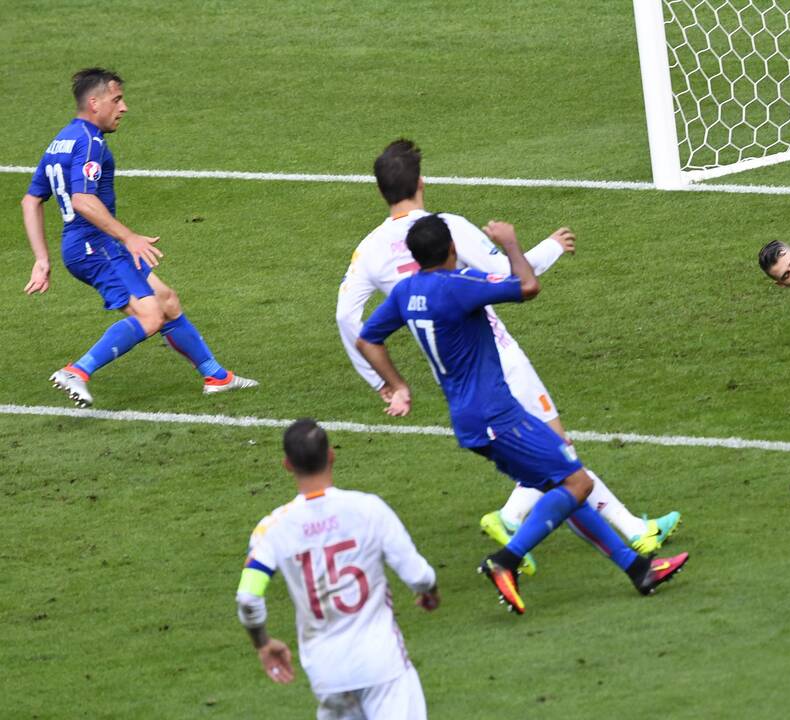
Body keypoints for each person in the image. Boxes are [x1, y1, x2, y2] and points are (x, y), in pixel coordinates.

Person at [336, 139, 680, 576]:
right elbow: (510, 278)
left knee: (553, 464)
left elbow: (348, 318)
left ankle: (629, 536)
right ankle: (544, 525)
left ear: (381, 190)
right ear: (422, 182)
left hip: (449, 369)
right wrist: (550, 246)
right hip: (495, 358)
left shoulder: (368, 250)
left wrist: (385, 383)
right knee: (562, 458)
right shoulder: (447, 228)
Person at [20, 67, 256, 407]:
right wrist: (129, 237)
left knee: (167, 300)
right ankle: (78, 371)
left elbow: (31, 200)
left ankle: (216, 375)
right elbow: (83, 200)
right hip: (94, 247)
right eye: (116, 100)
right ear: (94, 102)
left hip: (89, 245)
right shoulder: (90, 143)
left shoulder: (62, 139)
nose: (124, 107)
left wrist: (42, 260)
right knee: (149, 316)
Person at [236, 419, 439, 719]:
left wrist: (263, 644)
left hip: (327, 672)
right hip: (380, 662)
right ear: (331, 455)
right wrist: (429, 591)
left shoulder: (272, 529)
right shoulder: (369, 509)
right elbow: (419, 576)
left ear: (287, 465)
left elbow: (248, 598)